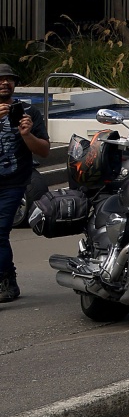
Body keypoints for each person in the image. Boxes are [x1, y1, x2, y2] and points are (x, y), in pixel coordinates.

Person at [0, 63, 51, 305]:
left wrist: (27, 135)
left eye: (9, 79)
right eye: (0, 79)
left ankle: (4, 280)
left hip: (13, 182)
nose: (4, 82)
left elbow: (44, 151)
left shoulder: (29, 112)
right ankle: (8, 277)